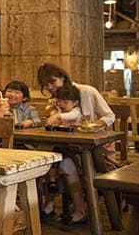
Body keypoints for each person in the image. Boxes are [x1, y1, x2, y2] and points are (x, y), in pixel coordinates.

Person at [36, 63, 116, 225]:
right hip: (69, 147)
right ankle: (60, 207)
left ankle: (77, 209)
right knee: (47, 160)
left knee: (62, 162)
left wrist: (91, 126)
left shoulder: (86, 91)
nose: (49, 87)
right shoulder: (56, 98)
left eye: (52, 82)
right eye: (45, 84)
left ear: (63, 77)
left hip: (95, 149)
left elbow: (109, 116)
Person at [40, 84, 86, 225]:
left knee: (66, 165)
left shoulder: (76, 112)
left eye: (65, 102)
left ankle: (79, 209)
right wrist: (55, 110)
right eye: (59, 101)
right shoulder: (59, 112)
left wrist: (58, 115)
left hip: (78, 155)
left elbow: (71, 116)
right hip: (59, 151)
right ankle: (48, 205)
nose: (61, 104)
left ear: (75, 102)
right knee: (47, 163)